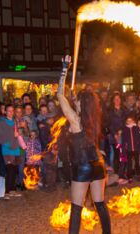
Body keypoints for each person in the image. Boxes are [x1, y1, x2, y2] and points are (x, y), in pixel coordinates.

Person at [58, 55, 110, 234]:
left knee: (76, 208)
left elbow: (60, 95)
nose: (75, 101)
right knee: (100, 204)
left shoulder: (75, 121)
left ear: (81, 103)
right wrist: (76, 98)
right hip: (98, 166)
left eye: (77, 100)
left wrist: (64, 69)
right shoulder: (92, 120)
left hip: (83, 168)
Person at [0, 105, 22, 198]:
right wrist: (6, 144)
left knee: (14, 170)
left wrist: (18, 134)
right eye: (9, 111)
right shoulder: (2, 123)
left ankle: (13, 190)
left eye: (12, 111)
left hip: (16, 149)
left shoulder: (15, 122)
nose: (10, 112)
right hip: (7, 150)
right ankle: (7, 192)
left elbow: (17, 135)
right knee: (9, 170)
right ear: (5, 112)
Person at [109, 93, 126, 174]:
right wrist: (115, 134)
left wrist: (122, 130)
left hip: (124, 136)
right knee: (116, 154)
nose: (117, 100)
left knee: (123, 154)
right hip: (114, 137)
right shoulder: (110, 111)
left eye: (118, 98)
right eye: (115, 99)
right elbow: (109, 124)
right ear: (113, 101)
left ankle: (123, 171)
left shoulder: (124, 110)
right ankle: (116, 172)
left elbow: (127, 121)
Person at [121, 116, 140, 181]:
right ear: (126, 122)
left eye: (131, 120)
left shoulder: (136, 128)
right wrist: (124, 150)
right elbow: (123, 141)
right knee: (129, 163)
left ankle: (138, 175)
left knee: (137, 163)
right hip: (128, 149)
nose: (129, 122)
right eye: (128, 120)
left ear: (133, 121)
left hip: (136, 149)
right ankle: (129, 176)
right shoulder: (124, 129)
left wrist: (139, 148)